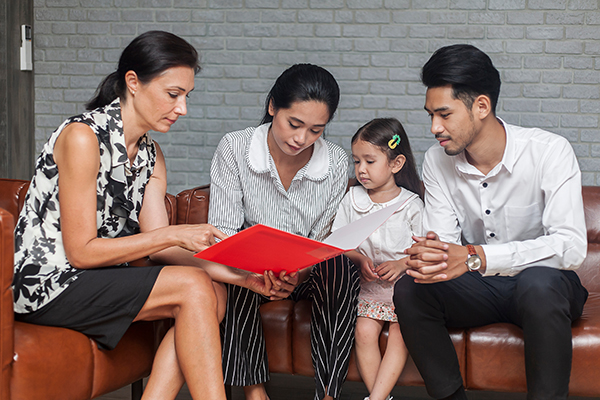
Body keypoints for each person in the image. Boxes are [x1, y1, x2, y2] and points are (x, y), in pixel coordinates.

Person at [12, 31, 284, 400]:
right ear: (133, 83)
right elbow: (81, 252)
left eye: (186, 96)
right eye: (173, 94)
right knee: (193, 287)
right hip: (50, 284)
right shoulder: (82, 137)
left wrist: (243, 277)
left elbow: (161, 250)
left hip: (97, 278)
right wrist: (176, 234)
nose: (182, 108)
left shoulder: (151, 156)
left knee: (215, 292)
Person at [394, 44, 589, 400]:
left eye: (444, 114)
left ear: (481, 106)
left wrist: (475, 257)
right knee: (411, 288)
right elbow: (443, 247)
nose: (434, 127)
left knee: (539, 284)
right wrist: (429, 256)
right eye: (430, 115)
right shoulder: (438, 162)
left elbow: (571, 248)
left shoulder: (549, 151)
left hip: (543, 288)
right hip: (480, 288)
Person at [208, 63, 361, 400]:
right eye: (295, 124)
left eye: (316, 130)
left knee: (339, 268)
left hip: (305, 272)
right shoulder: (234, 148)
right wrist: (261, 270)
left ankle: (328, 393)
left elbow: (323, 239)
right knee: (232, 275)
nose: (301, 139)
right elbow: (224, 233)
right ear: (272, 106)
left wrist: (300, 270)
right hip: (250, 270)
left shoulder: (335, 161)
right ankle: (254, 391)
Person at [331, 118, 423, 400]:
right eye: (356, 161)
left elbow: (424, 250)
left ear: (396, 164)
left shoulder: (411, 205)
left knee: (400, 334)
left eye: (370, 161)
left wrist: (402, 264)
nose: (361, 170)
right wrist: (358, 259)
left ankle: (377, 398)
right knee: (364, 333)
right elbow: (338, 242)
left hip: (405, 290)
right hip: (369, 288)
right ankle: (379, 397)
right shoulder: (352, 199)